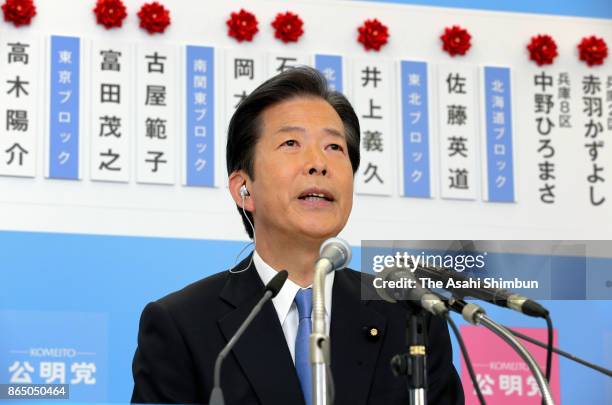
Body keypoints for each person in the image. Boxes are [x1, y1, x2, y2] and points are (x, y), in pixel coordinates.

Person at [131, 66, 464, 405]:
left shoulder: (409, 317)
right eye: (291, 143)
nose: (318, 163)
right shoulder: (182, 325)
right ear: (244, 188)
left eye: (334, 147)